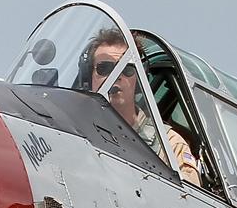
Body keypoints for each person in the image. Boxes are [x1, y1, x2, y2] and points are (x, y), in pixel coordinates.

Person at [79, 29, 203, 187]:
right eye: (104, 68)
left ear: (138, 77)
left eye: (127, 69)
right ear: (89, 76)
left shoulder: (167, 142)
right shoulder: (75, 129)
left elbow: (189, 199)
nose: (116, 76)